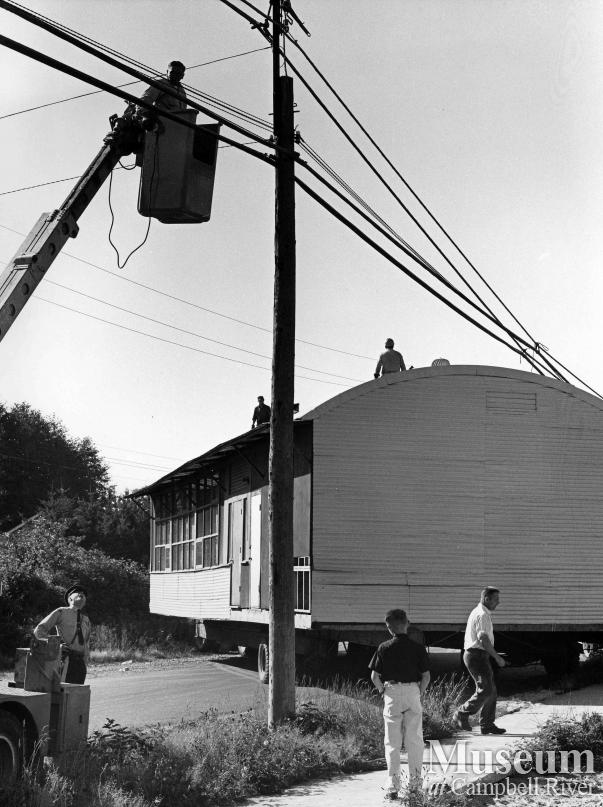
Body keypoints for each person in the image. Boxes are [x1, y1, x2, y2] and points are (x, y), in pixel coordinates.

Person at [369, 608, 430, 799]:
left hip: (392, 692)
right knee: (415, 741)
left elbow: (374, 677)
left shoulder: (384, 647)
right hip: (412, 691)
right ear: (407, 624)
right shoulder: (418, 648)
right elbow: (426, 676)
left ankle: (392, 786)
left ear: (389, 627)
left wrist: (382, 691)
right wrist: (418, 692)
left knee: (392, 742)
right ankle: (415, 786)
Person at [452, 587, 507, 735]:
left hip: (478, 655)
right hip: (476, 656)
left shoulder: (482, 612)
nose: (498, 602)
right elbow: (483, 638)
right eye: (496, 599)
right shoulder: (482, 614)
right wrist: (497, 657)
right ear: (486, 599)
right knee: (486, 689)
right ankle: (461, 713)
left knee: (491, 691)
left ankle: (487, 724)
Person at [34, 583, 91, 684]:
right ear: (70, 599)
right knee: (63, 691)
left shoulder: (86, 620)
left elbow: (86, 644)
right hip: (65, 661)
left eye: (83, 594)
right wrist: (56, 645)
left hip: (80, 664)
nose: (81, 594)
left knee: (77, 692)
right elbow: (39, 631)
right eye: (77, 592)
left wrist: (84, 663)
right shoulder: (61, 612)